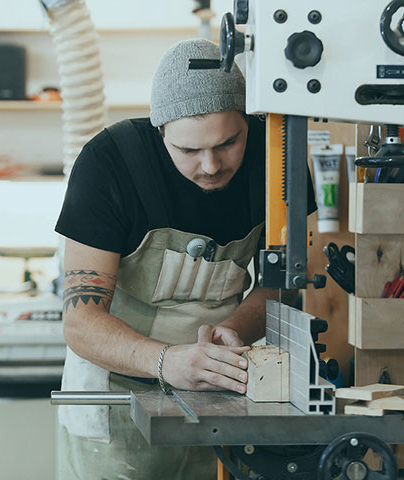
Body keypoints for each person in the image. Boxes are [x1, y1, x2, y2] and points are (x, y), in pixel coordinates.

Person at [54, 38, 316, 480]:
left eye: (228, 143)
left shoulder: (277, 160)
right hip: (118, 396)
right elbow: (81, 320)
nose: (211, 166)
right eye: (189, 151)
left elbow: (282, 283)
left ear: (249, 122)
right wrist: (167, 362)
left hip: (219, 390)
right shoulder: (109, 163)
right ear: (161, 132)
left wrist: (231, 331)